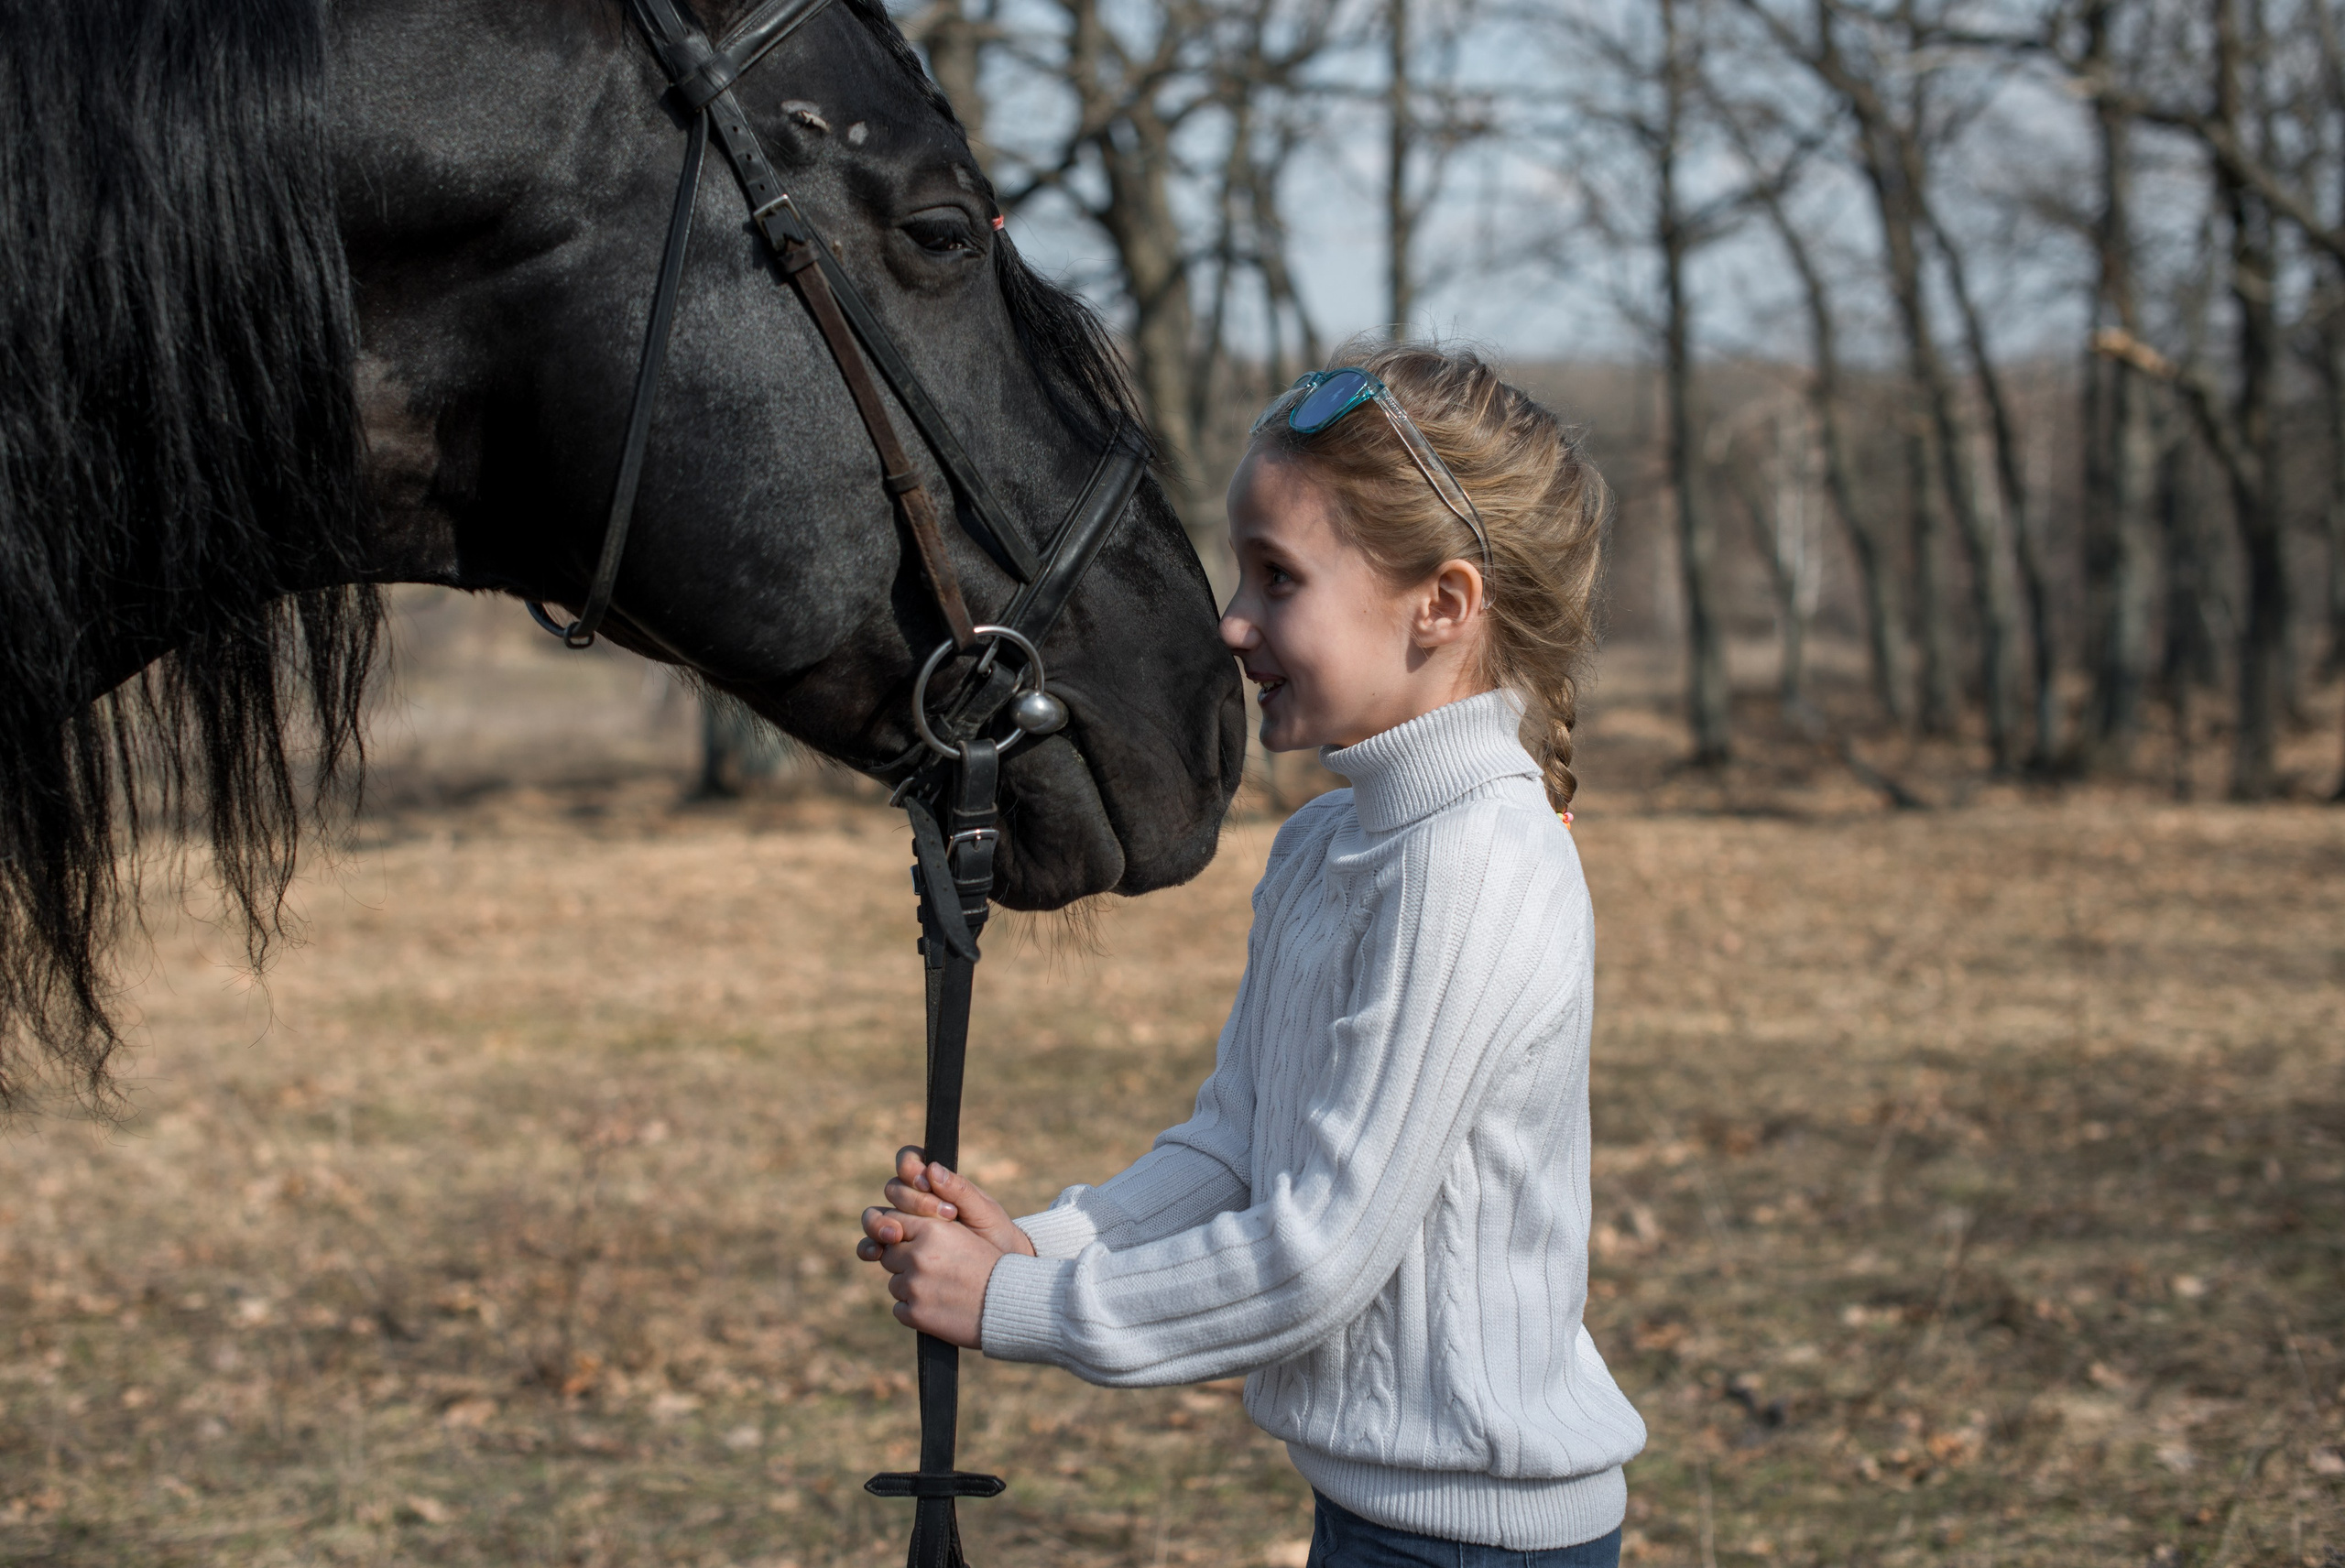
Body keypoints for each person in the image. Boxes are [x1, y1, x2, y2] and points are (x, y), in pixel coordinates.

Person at [856, 338, 1645, 1567]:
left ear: (1440, 607)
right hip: (1373, 1520)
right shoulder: (1331, 842)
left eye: (1278, 579)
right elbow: (1237, 1149)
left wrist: (1019, 1309)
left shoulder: (1474, 863)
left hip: (1481, 1550)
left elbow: (1318, 1255)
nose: (1231, 621)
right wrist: (1044, 1244)